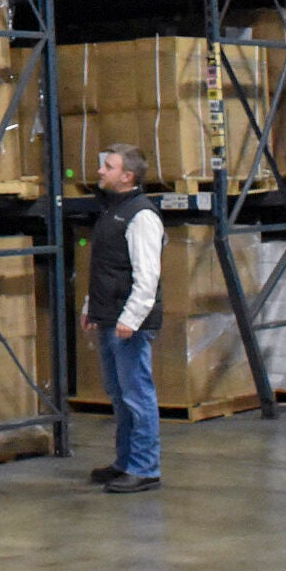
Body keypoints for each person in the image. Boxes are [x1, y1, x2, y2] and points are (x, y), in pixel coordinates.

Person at [85, 143, 163, 493]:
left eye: (109, 166)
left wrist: (131, 318)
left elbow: (147, 276)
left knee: (137, 395)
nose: (101, 171)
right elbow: (107, 268)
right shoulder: (112, 211)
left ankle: (145, 468)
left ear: (127, 176)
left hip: (128, 323)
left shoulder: (141, 216)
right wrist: (92, 308)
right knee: (119, 395)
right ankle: (125, 462)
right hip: (109, 317)